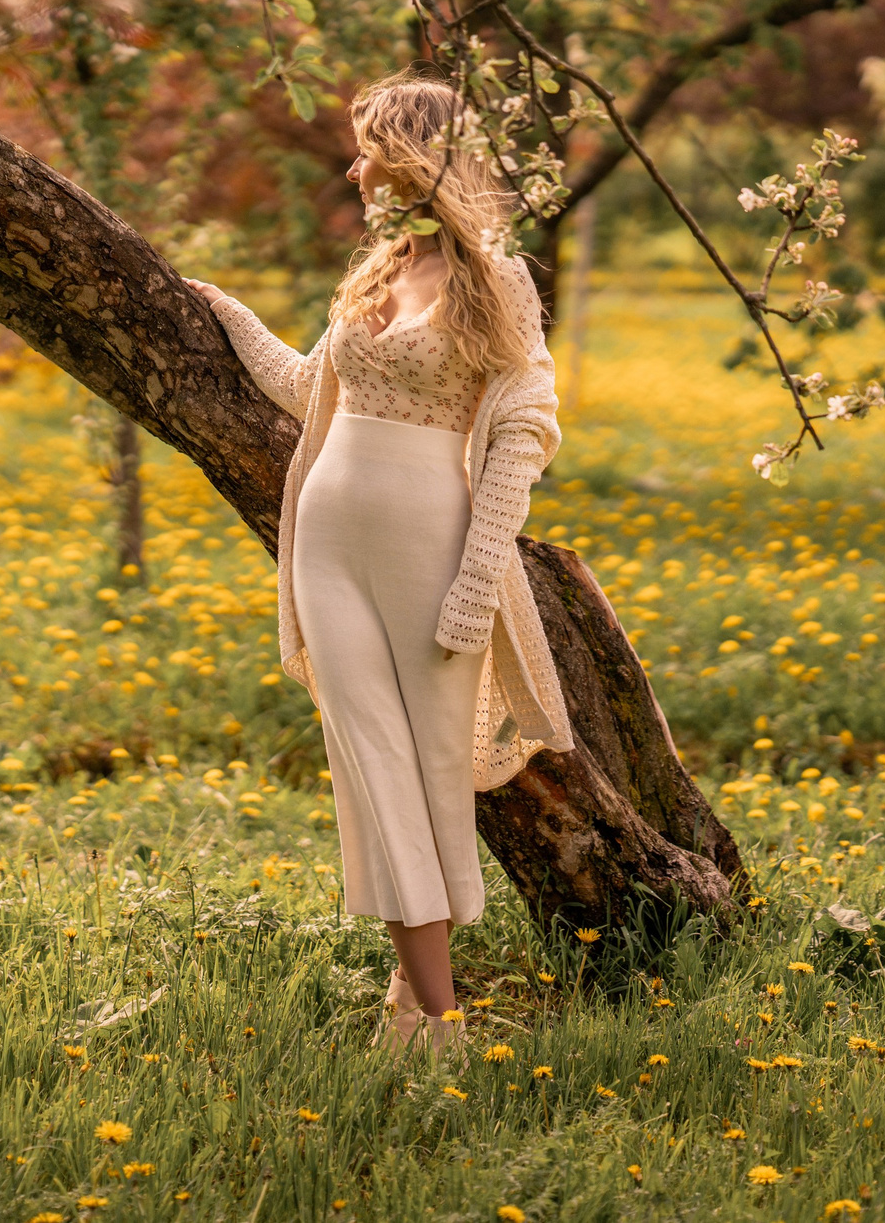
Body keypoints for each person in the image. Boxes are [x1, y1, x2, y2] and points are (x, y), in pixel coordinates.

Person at [185, 70, 576, 1058]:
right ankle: (428, 1008)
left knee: (426, 774)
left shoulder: (497, 278)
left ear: (410, 157)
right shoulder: (379, 269)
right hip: (326, 542)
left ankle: (428, 1013)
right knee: (367, 766)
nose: (353, 168)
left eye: (366, 150)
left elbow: (525, 427)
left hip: (424, 546)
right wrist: (217, 310)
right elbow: (303, 386)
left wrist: (476, 581)